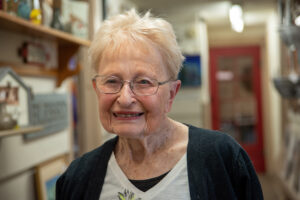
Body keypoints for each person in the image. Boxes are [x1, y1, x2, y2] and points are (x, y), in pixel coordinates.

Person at [56, 9, 263, 200]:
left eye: (144, 82)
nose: (125, 99)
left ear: (171, 94)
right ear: (96, 88)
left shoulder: (223, 160)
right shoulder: (77, 178)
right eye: (112, 81)